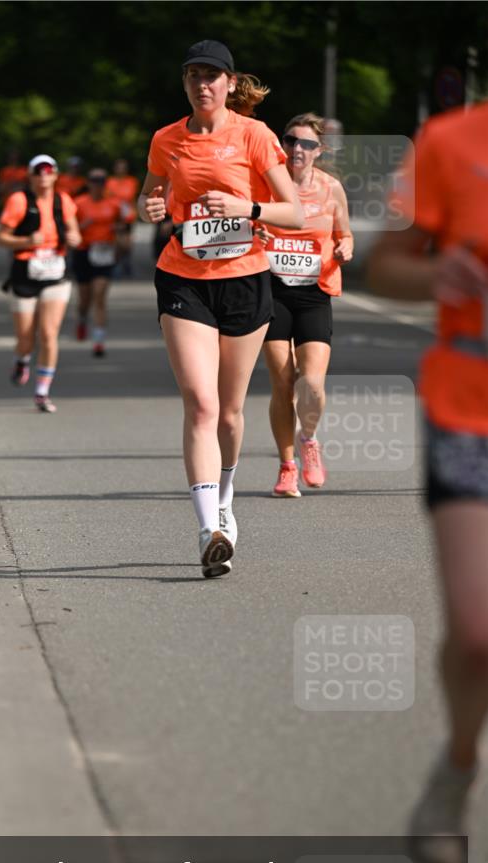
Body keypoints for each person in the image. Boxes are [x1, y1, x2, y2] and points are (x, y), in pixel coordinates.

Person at [367, 101, 488, 863]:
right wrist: (434, 272)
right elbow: (384, 264)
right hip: (469, 406)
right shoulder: (451, 142)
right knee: (479, 634)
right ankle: (456, 767)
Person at [138, 39, 302, 578]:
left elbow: (294, 214)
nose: (202, 84)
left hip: (245, 280)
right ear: (184, 83)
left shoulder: (254, 136)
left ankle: (226, 499)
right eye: (193, 75)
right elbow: (150, 200)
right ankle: (208, 528)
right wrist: (152, 207)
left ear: (231, 84)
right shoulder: (166, 139)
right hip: (184, 279)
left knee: (230, 412)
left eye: (212, 76)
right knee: (201, 404)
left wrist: (246, 207)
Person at [259, 112, 353, 497]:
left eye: (307, 144)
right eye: (291, 141)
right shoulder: (266, 185)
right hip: (272, 290)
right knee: (282, 383)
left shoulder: (332, 189)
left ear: (319, 150)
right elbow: (249, 221)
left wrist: (346, 245)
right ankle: (286, 467)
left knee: (311, 382)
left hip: (314, 293)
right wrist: (257, 230)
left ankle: (308, 439)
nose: (298, 149)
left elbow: (344, 233)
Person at [0, 154, 82, 412]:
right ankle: (22, 359)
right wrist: (25, 243)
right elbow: (1, 238)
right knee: (26, 338)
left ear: (56, 175)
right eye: (38, 172)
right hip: (25, 273)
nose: (44, 176)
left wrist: (75, 238)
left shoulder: (63, 200)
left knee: (48, 333)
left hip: (56, 274)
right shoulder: (19, 200)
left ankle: (42, 392)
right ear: (31, 176)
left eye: (49, 171)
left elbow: (75, 232)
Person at [72, 169, 123, 354]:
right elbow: (68, 230)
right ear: (88, 183)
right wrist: (81, 226)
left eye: (101, 181)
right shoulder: (79, 203)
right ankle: (82, 319)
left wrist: (117, 231)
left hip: (104, 252)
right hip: (84, 252)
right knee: (85, 299)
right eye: (94, 180)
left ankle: (99, 341)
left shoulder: (114, 204)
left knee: (99, 296)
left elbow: (123, 225)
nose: (97, 184)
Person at [106, 158, 139, 277]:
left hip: (128, 216)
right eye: (119, 167)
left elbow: (133, 199)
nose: (121, 169)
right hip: (114, 216)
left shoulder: (131, 181)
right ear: (115, 168)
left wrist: (135, 213)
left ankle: (125, 264)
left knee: (127, 243)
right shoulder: (110, 182)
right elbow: (107, 199)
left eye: (123, 167)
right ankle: (116, 264)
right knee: (117, 242)